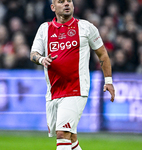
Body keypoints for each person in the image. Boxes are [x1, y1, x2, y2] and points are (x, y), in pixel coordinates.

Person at [30, 0, 115, 150]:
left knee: (62, 134)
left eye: (69, 1)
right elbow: (33, 54)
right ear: (53, 7)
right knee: (71, 138)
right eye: (61, 2)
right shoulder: (44, 29)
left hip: (77, 89)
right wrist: (41, 59)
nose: (67, 4)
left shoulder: (86, 27)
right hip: (54, 91)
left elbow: (102, 54)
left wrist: (108, 81)